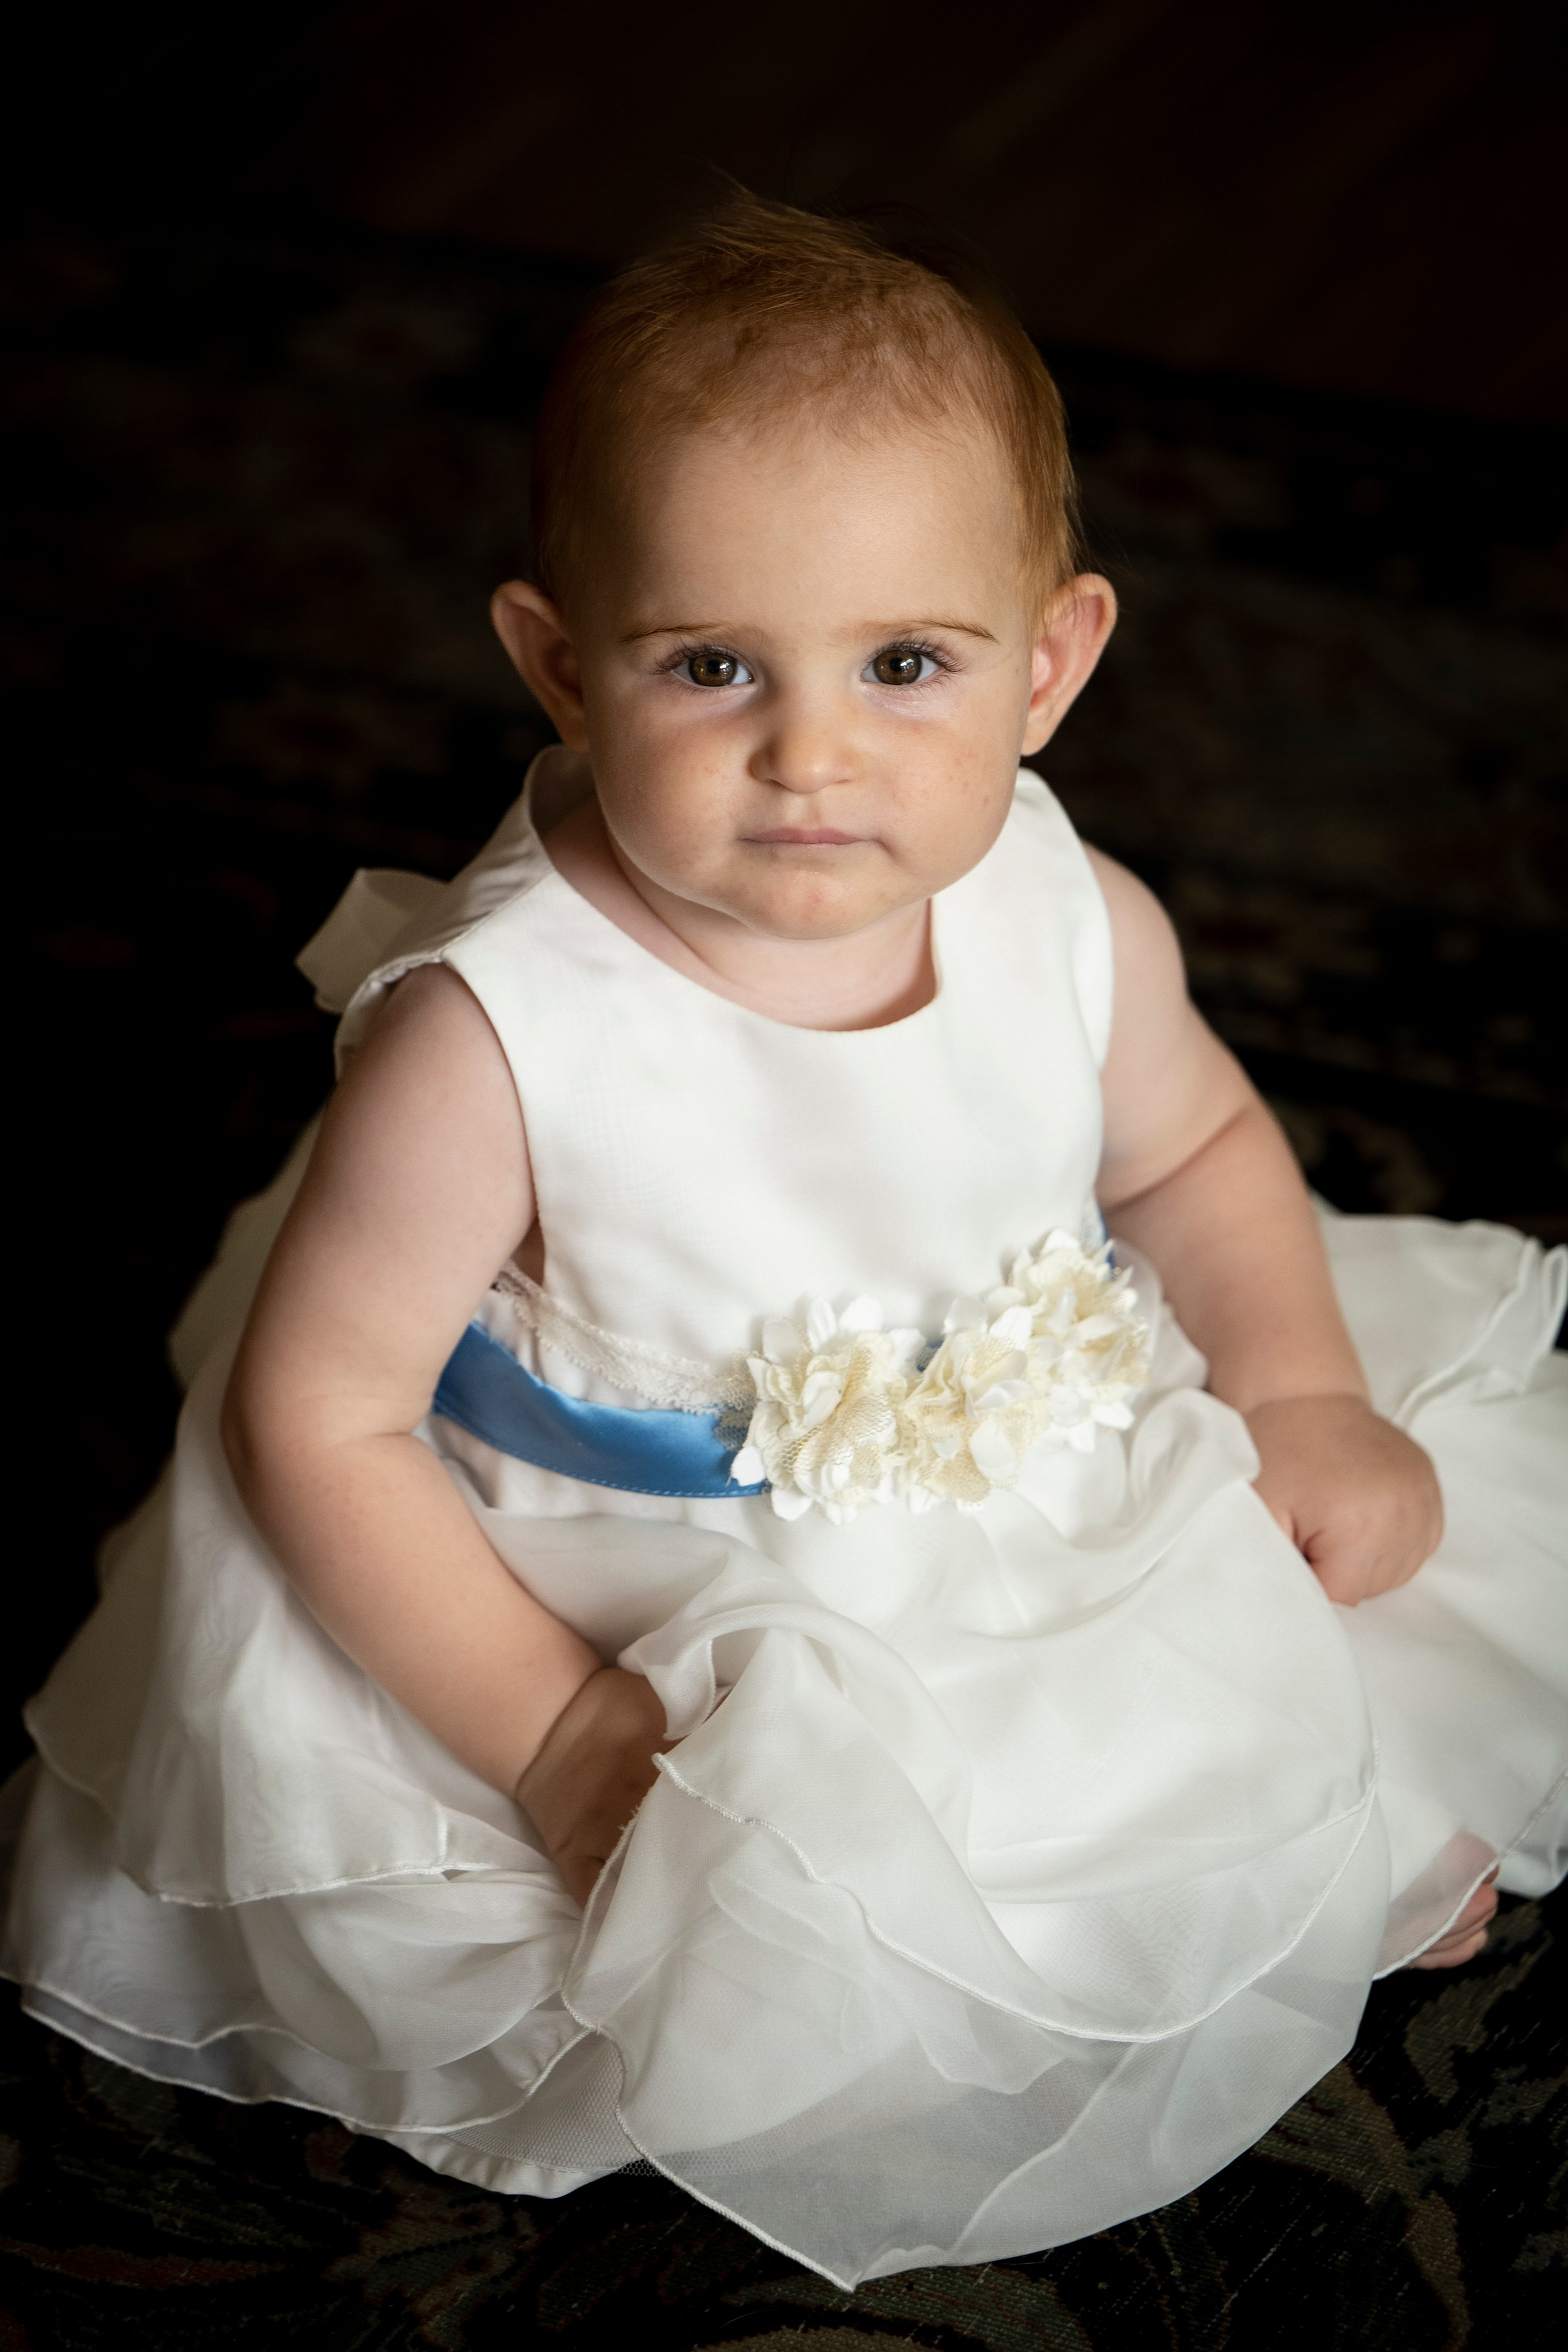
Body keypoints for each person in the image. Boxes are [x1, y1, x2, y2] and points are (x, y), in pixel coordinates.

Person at [3, 197, 1564, 2291]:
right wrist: (552, 1729)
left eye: (907, 663)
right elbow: (323, 1416)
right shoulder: (499, 1034)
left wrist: (1294, 1384)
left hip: (1018, 1452)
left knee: (1282, 1652)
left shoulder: (1062, 911)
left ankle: (1276, 1860)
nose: (813, 754)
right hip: (628, 1567)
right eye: (712, 663)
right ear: (562, 664)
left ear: (1053, 664)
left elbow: (1191, 1148)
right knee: (772, 1919)